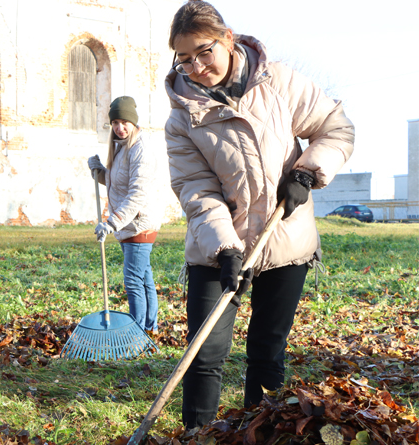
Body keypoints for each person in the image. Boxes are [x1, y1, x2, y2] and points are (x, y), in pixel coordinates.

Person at [164, 1, 354, 429]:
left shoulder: (279, 83)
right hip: (217, 248)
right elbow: (197, 189)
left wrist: (306, 174)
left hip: (284, 240)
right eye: (184, 58)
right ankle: (198, 435)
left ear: (228, 39)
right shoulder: (182, 117)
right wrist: (226, 248)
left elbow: (336, 127)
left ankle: (258, 432)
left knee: (267, 350)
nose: (195, 66)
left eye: (204, 51)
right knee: (204, 353)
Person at [87, 96, 162, 334]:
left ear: (134, 122)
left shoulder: (140, 149)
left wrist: (112, 222)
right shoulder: (120, 147)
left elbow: (137, 193)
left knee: (133, 280)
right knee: (143, 277)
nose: (120, 127)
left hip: (138, 224)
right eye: (115, 123)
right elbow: (117, 183)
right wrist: (98, 171)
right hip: (129, 225)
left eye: (124, 122)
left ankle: (137, 331)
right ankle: (149, 326)